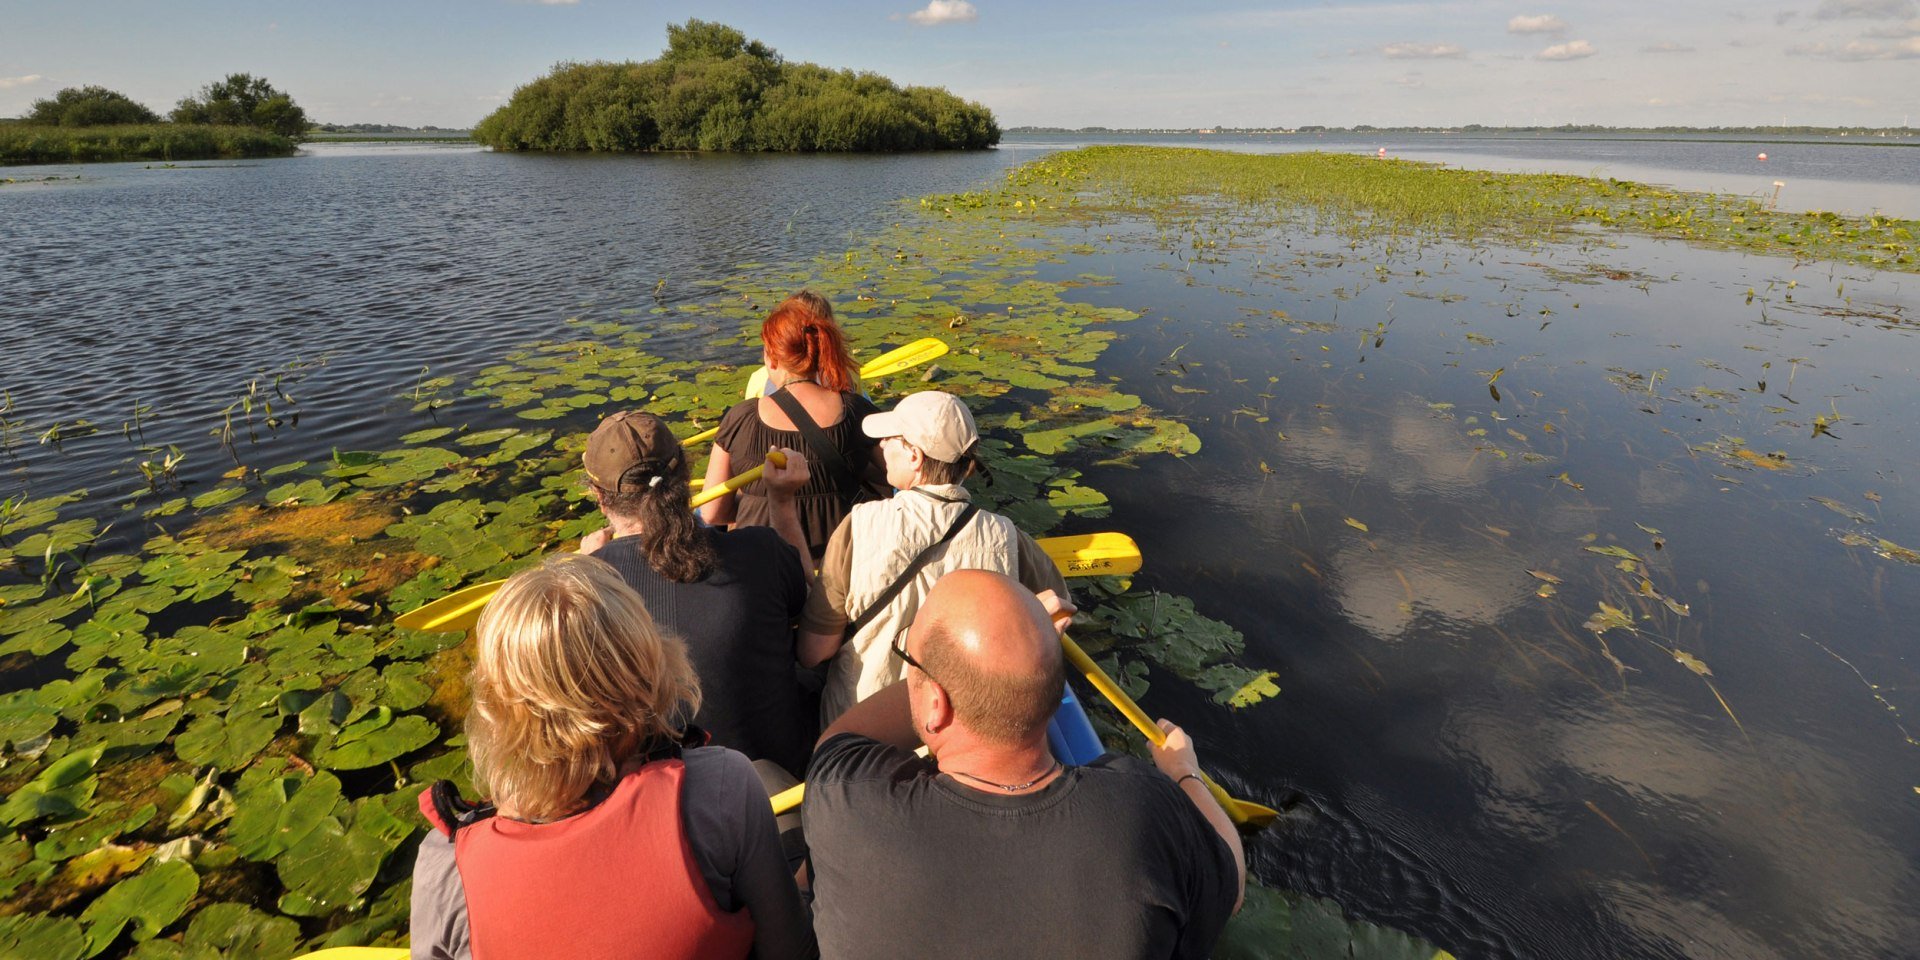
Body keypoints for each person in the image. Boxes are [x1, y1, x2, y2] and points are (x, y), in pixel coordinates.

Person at [802, 570, 1245, 960]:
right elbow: (1233, 885)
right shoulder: (1144, 809)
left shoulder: (849, 800)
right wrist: (1184, 771)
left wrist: (959, 669)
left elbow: (838, 741)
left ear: (935, 703)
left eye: (908, 661)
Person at [408, 554, 814, 960]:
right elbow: (790, 950)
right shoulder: (721, 787)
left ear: (496, 706)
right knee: (777, 786)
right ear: (647, 671)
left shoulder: (446, 866)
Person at [798, 389, 1070, 724]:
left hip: (865, 730)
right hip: (967, 728)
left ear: (914, 456)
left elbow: (814, 653)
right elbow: (1059, 615)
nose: (881, 445)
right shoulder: (1011, 538)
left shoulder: (858, 526)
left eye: (891, 439)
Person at [577, 409, 817, 780]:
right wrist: (782, 503)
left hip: (664, 791)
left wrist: (589, 571)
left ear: (598, 496)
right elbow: (804, 592)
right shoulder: (760, 550)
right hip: (783, 772)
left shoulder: (584, 589)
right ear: (685, 473)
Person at [702, 292, 881, 559]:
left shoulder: (740, 418)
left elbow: (712, 512)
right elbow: (897, 479)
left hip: (763, 562)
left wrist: (753, 503)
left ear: (772, 358)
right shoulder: (856, 409)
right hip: (841, 560)